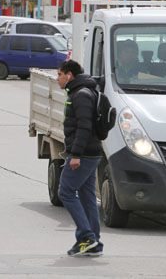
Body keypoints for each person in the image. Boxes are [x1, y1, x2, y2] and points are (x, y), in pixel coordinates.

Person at [56, 59, 104, 257]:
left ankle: (87, 237)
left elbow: (84, 127)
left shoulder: (81, 95)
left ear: (69, 75)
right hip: (90, 153)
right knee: (87, 197)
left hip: (83, 154)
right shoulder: (83, 91)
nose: (57, 78)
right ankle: (94, 244)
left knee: (65, 192)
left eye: (59, 74)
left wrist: (75, 155)